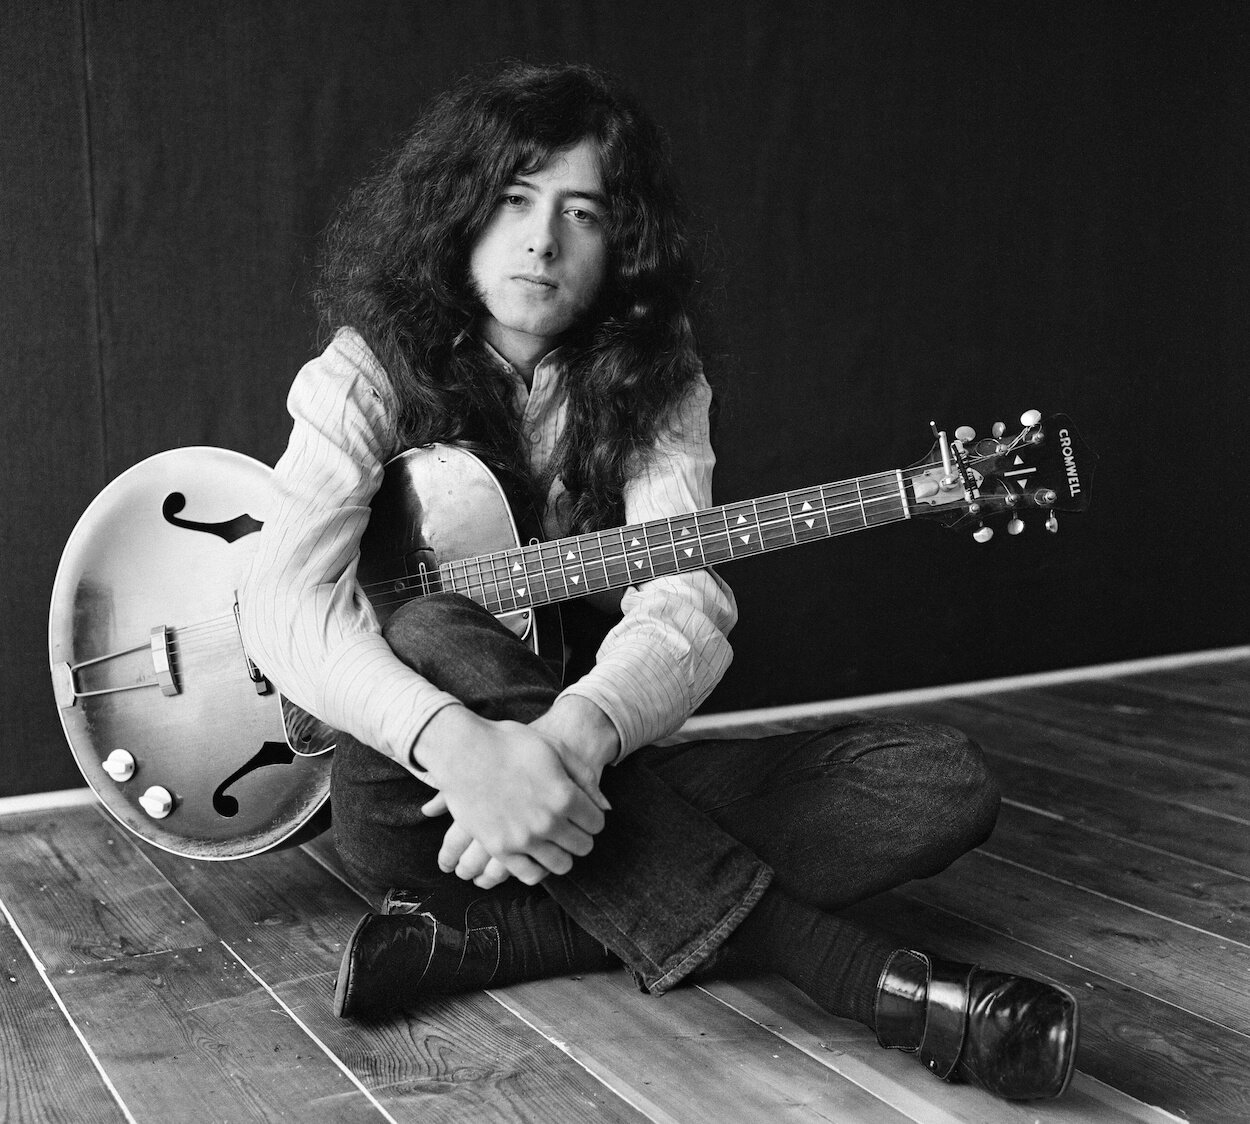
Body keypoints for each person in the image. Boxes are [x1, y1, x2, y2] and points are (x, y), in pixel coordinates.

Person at [239, 62, 1077, 1102]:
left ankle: (487, 940)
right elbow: (281, 602)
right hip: (409, 798)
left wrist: (566, 740)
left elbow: (683, 602)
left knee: (937, 781)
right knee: (432, 625)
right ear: (456, 210)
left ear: (619, 245)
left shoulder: (657, 385)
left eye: (579, 213)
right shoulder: (360, 371)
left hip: (568, 776)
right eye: (511, 199)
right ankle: (863, 977)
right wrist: (461, 746)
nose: (541, 240)